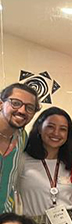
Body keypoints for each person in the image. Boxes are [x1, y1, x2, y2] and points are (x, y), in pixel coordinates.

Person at [0, 83, 39, 214]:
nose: (22, 111)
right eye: (15, 103)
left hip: (5, 217)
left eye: (29, 108)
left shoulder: (22, 137)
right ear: (1, 104)